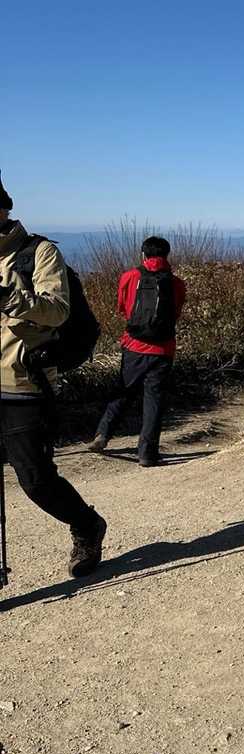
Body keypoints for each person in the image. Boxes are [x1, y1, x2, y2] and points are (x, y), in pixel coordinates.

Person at [0, 173, 107, 578]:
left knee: (36, 480)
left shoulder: (39, 253)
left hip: (22, 383)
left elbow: (57, 310)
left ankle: (87, 525)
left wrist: (8, 296)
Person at [90, 236, 186, 466]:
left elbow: (123, 308)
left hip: (134, 345)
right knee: (154, 401)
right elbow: (176, 313)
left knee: (124, 391)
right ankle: (147, 454)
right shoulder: (177, 283)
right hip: (163, 349)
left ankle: (103, 434)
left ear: (143, 254)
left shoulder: (130, 277)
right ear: (167, 255)